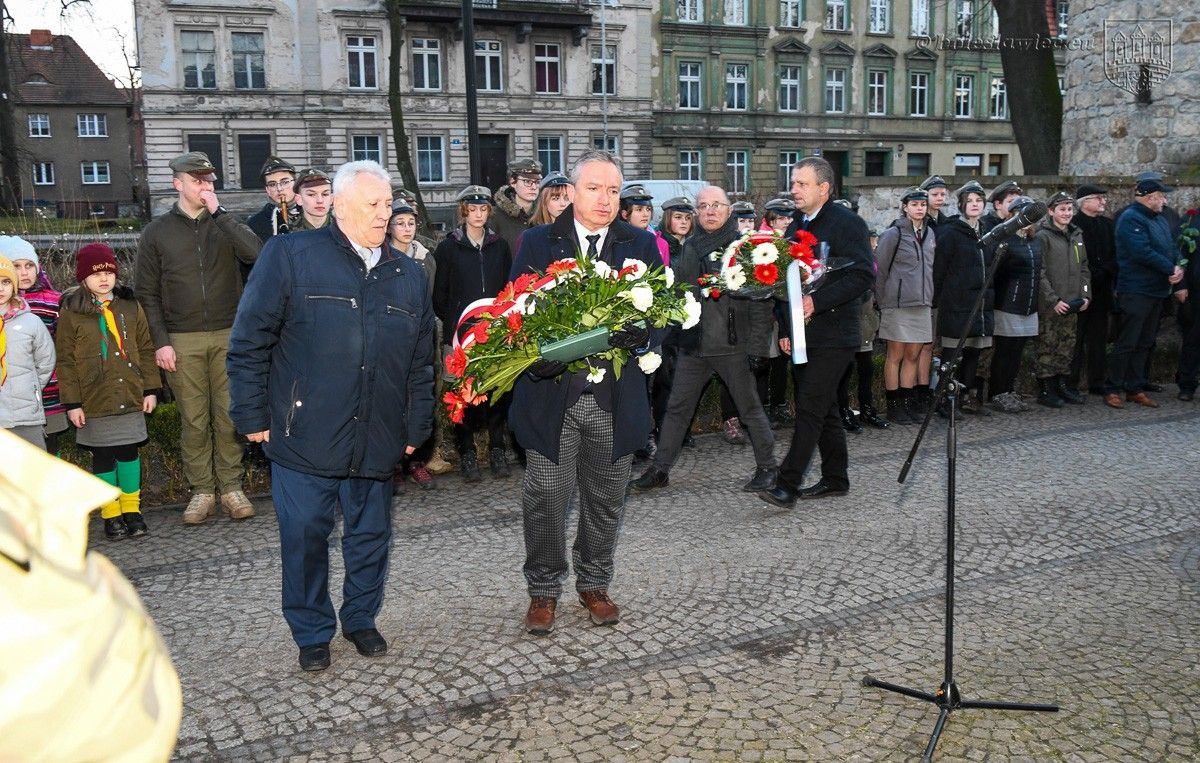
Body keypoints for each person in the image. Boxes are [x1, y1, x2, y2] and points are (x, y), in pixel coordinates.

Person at [227, 160, 435, 672]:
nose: (384, 214)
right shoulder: (291, 255)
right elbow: (250, 340)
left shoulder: (407, 273)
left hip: (378, 433)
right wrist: (251, 412)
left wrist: (417, 425)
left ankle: (361, 619)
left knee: (370, 538)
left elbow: (421, 362)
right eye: (373, 204)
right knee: (304, 538)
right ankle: (312, 629)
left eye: (388, 204)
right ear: (339, 205)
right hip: (304, 433)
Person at [507, 149, 660, 635]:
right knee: (546, 498)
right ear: (571, 193)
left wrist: (647, 336)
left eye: (613, 190)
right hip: (553, 395)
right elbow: (515, 311)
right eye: (594, 188)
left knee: (606, 499)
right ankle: (543, 590)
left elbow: (664, 312)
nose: (605, 199)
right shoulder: (537, 241)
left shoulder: (641, 243)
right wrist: (538, 353)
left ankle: (594, 583)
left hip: (615, 400)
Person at [135, 151, 260, 525]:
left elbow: (256, 253)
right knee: (193, 419)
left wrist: (219, 214)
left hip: (228, 334)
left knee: (227, 415)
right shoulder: (157, 232)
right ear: (178, 183)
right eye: (196, 180)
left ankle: (232, 488)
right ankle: (202, 491)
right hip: (181, 338)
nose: (204, 186)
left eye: (208, 180)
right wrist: (161, 340)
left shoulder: (225, 223)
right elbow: (146, 292)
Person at [630, 184, 777, 495]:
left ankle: (768, 468)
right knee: (677, 408)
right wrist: (669, 339)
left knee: (749, 409)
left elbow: (762, 302)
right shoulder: (688, 248)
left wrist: (758, 348)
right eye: (704, 206)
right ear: (697, 212)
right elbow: (676, 298)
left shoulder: (744, 248)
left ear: (728, 210)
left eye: (717, 205)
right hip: (692, 344)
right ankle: (660, 470)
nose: (710, 211)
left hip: (731, 345)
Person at [758, 156, 874, 507]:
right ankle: (836, 478)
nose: (794, 190)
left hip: (836, 333)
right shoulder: (795, 227)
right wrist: (786, 323)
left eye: (802, 184)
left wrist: (817, 302)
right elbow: (785, 281)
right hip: (803, 335)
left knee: (809, 405)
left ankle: (787, 483)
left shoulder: (847, 223)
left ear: (824, 188)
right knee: (824, 409)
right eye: (793, 183)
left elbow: (863, 275)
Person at [56, 243, 158, 541]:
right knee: (103, 456)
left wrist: (150, 388)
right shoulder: (72, 311)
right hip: (93, 398)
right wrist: (73, 403)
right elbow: (65, 359)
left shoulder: (129, 305)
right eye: (96, 273)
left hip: (129, 393)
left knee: (128, 452)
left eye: (109, 272)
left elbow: (146, 348)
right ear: (83, 278)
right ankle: (111, 515)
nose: (104, 279)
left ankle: (131, 510)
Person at [432, 185, 514, 481]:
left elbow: (508, 289)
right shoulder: (448, 247)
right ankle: (466, 452)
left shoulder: (499, 245)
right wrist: (457, 321)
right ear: (463, 211)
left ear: (489, 212)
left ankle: (496, 449)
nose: (478, 214)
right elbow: (439, 295)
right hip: (459, 334)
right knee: (461, 394)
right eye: (472, 209)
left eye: (483, 209)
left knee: (496, 392)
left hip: (494, 331)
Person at [1105, 175, 1184, 409]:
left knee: (1146, 342)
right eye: (1161, 196)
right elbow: (1142, 252)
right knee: (1127, 341)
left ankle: (1135, 387)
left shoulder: (1158, 219)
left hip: (1157, 291)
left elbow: (1170, 246)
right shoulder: (1131, 219)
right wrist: (1170, 268)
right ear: (1150, 198)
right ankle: (1113, 388)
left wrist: (1177, 266)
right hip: (1136, 290)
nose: (1164, 201)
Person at [931, 180, 993, 417]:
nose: (975, 205)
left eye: (979, 201)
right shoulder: (950, 232)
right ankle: (944, 400)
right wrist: (939, 300)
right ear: (961, 205)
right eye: (970, 201)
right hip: (956, 303)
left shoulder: (987, 231)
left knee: (973, 353)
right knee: (952, 355)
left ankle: (965, 398)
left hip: (981, 303)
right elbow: (940, 269)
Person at [388, 196, 438, 491]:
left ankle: (417, 460)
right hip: (394, 336)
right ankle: (394, 464)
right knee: (393, 400)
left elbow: (430, 296)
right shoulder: (382, 256)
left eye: (411, 223)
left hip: (421, 333)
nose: (406, 229)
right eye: (400, 223)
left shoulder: (426, 256)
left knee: (421, 397)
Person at [875, 188, 936, 424]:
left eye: (923, 204)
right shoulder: (893, 233)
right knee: (895, 355)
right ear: (905, 207)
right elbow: (880, 270)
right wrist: (883, 302)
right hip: (897, 304)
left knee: (913, 355)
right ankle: (894, 406)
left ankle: (908, 404)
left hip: (922, 304)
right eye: (914, 204)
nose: (919, 208)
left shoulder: (930, 234)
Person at [4, 236, 66, 452]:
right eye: (16, 266)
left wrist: (35, 384)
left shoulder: (53, 301)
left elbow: (59, 349)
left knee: (48, 445)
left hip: (48, 391)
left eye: (29, 265)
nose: (24, 272)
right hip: (10, 395)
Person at [1034, 191, 1090, 407]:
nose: (1067, 213)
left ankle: (1062, 385)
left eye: (1069, 209)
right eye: (1062, 209)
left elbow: (1084, 267)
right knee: (1047, 346)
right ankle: (1046, 389)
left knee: (1067, 346)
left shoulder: (1077, 235)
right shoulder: (1043, 236)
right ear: (1051, 211)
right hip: (1051, 304)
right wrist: (1052, 300)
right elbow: (1040, 273)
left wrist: (1085, 294)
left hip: (1072, 302)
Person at [987, 197, 1043, 413]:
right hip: (1008, 305)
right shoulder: (1006, 241)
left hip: (1028, 306)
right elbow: (996, 275)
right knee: (1004, 351)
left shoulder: (1034, 241)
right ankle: (997, 392)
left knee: (1017, 352)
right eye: (1024, 214)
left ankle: (1009, 389)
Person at [0, 256, 55, 450]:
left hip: (26, 413)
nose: (0, 288)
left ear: (14, 285)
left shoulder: (31, 321)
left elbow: (46, 360)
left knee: (32, 473)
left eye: (5, 282)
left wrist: (31, 386)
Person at [1070, 184, 1116, 396]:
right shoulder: (1074, 224)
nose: (1103, 202)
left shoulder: (1107, 225)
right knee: (1077, 338)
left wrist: (1107, 270)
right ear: (1084, 202)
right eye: (1098, 198)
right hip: (1081, 289)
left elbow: (1116, 253)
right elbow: (1076, 259)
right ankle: (1071, 382)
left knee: (1098, 338)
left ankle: (1097, 380)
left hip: (1103, 288)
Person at [491, 159, 543, 256]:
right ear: (513, 182)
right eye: (527, 181)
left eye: (537, 182)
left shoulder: (544, 213)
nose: (533, 187)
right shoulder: (495, 216)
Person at [1175, 207, 1200, 401]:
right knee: (1194, 339)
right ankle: (1187, 384)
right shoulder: (1192, 218)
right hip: (1196, 288)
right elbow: (1179, 254)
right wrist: (1181, 285)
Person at [246, 156, 299, 243]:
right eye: (272, 184)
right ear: (267, 190)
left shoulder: (310, 212)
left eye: (285, 182)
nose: (279, 188)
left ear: (295, 183)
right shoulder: (256, 223)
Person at [619, 184, 670, 264]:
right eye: (639, 210)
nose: (645, 214)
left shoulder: (662, 243)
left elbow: (665, 274)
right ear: (624, 214)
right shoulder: (615, 240)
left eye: (648, 209)